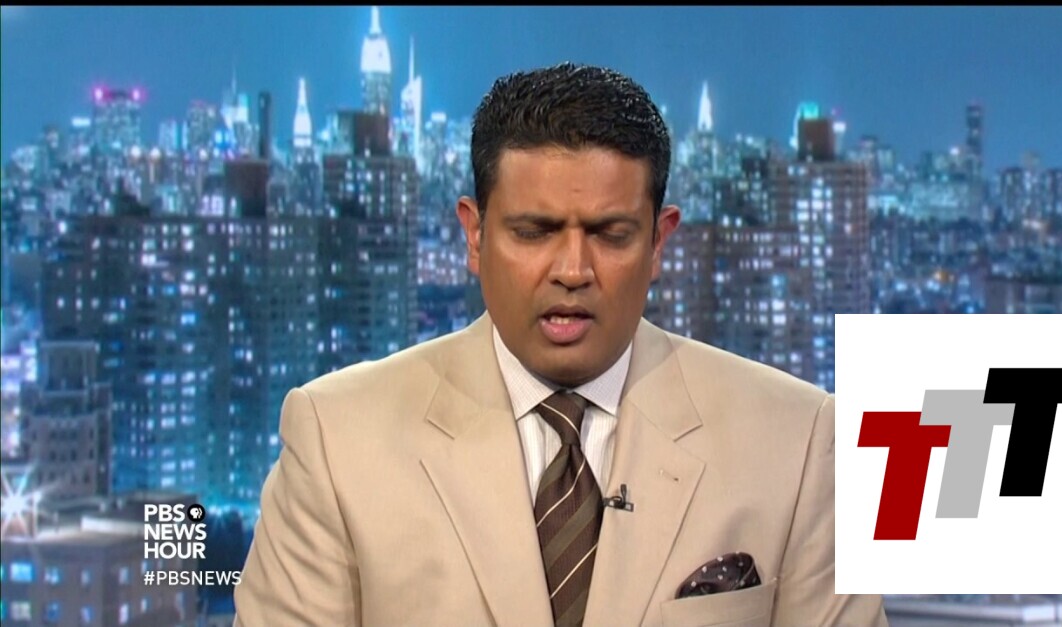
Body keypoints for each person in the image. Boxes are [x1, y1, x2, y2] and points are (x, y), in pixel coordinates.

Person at [234, 62, 887, 627]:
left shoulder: (799, 441)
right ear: (473, 234)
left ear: (659, 241)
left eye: (610, 234)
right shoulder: (337, 440)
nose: (572, 270)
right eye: (533, 232)